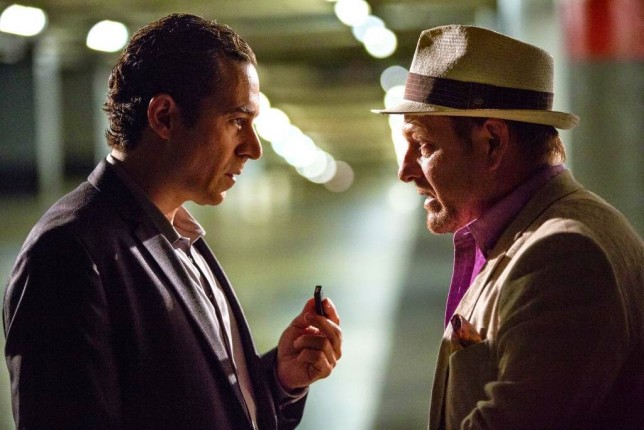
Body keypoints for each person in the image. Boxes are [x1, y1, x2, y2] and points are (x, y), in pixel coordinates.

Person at [3, 13, 342, 429]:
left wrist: (280, 380)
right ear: (164, 117)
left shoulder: (182, 238)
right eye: (237, 122)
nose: (253, 148)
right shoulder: (69, 253)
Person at [373, 25, 644, 429]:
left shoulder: (562, 257)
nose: (406, 170)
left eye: (425, 145)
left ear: (493, 142)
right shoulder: (536, 234)